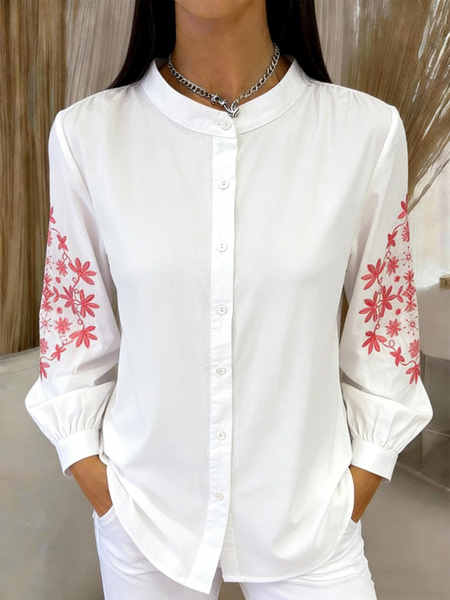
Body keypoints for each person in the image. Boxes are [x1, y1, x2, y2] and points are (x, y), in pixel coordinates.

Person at [26, 1, 432, 599]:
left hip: (308, 521)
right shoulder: (87, 135)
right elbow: (72, 337)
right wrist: (101, 488)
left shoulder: (364, 133)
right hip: (144, 518)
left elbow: (386, 333)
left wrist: (359, 480)